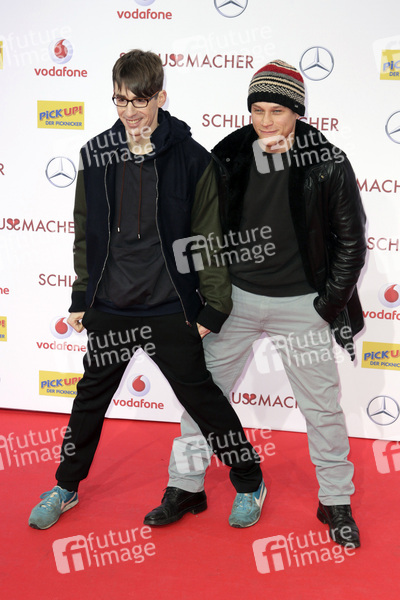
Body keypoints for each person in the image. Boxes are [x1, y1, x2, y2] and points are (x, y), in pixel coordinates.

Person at [29, 49, 265, 531]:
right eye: (121, 100)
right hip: (111, 305)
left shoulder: (193, 160)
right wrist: (81, 296)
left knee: (204, 402)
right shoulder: (96, 154)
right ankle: (65, 487)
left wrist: (213, 308)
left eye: (140, 100)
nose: (130, 111)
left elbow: (208, 239)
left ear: (161, 97)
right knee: (88, 403)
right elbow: (84, 233)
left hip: (168, 307)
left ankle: (249, 481)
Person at [146, 60, 366, 548]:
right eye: (257, 109)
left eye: (277, 111)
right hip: (235, 300)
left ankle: (335, 500)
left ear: (298, 112)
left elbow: (352, 243)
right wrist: (208, 297)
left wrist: (326, 306)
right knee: (202, 397)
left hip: (303, 305)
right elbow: (202, 228)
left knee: (322, 408)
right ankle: (185, 487)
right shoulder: (229, 154)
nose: (266, 121)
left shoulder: (327, 161)